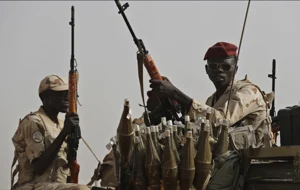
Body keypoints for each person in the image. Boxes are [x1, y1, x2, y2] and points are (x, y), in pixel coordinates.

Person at [149, 41, 274, 189]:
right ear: (207, 70)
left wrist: (175, 93)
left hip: (251, 165)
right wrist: (174, 102)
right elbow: (203, 130)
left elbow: (222, 119)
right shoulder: (212, 100)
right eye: (213, 66)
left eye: (226, 66)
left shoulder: (248, 92)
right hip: (225, 165)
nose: (219, 71)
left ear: (235, 69)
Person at [11, 74, 108, 190]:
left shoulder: (61, 124)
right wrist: (64, 133)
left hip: (56, 186)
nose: (66, 97)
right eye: (59, 94)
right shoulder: (33, 122)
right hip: (32, 185)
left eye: (67, 93)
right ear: (45, 97)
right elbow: (39, 166)